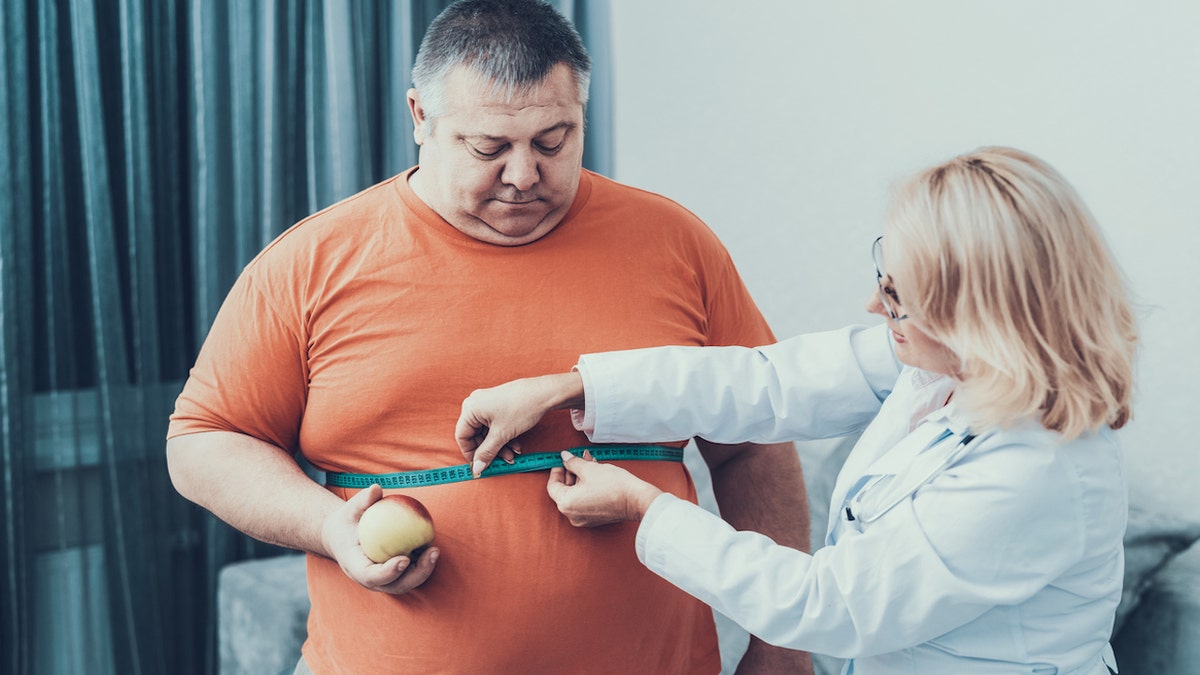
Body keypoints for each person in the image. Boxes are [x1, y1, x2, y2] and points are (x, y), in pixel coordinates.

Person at [166, 1, 811, 673]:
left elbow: (754, 442)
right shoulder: (311, 263)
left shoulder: (676, 244)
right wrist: (329, 525)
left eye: (553, 140)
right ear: (421, 117)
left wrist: (782, 645)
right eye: (489, 147)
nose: (525, 175)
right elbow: (204, 440)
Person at [456, 146, 1137, 674]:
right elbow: (765, 383)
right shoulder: (948, 367)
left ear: (978, 317)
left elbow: (828, 604)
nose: (876, 308)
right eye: (883, 275)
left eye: (900, 297)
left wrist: (644, 509)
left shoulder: (1036, 468)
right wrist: (570, 389)